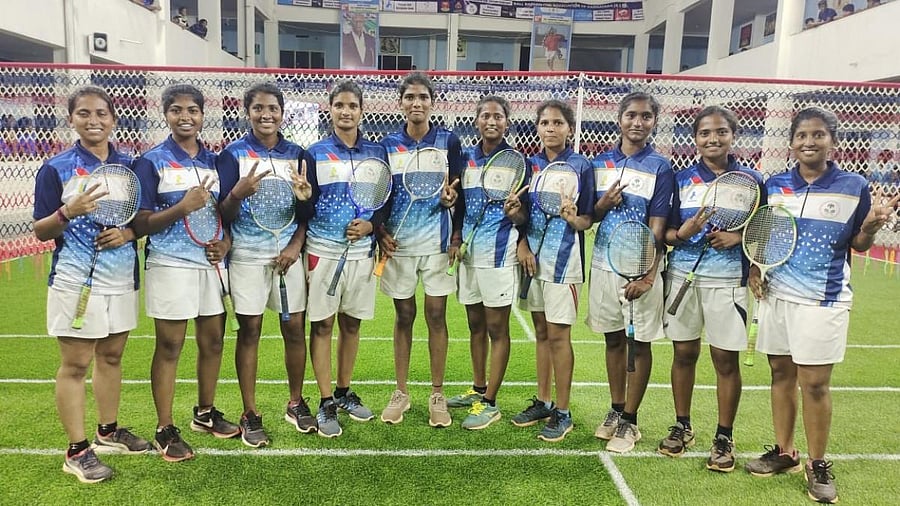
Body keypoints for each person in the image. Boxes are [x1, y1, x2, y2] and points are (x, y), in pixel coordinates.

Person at [743, 107, 898, 504]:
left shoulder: (853, 186)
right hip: (776, 295)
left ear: (832, 141)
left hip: (822, 299)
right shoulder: (775, 184)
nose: (809, 142)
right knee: (780, 373)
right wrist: (757, 268)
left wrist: (869, 226)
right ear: (791, 142)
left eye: (818, 135)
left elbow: (858, 245)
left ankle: (817, 462)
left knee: (813, 384)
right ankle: (784, 452)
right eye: (802, 136)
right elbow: (766, 232)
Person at [32, 86, 151, 483]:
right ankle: (77, 450)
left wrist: (129, 235)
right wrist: (68, 211)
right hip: (75, 280)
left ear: (114, 119)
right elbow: (39, 231)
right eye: (84, 113)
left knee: (113, 357)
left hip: (121, 278)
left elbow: (140, 219)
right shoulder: (56, 168)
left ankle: (108, 431)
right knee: (76, 363)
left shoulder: (131, 166)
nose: (94, 120)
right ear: (72, 119)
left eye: (102, 113)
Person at [134, 84, 240, 463]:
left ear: (202, 115)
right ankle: (165, 428)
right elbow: (142, 221)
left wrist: (226, 243)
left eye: (192, 110)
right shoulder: (151, 162)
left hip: (211, 264)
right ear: (166, 115)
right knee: (170, 347)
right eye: (177, 110)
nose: (185, 117)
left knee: (212, 342)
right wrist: (182, 206)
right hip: (170, 264)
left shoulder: (217, 162)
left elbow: (225, 214)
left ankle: (205, 413)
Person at [659, 106, 764, 472]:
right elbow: (669, 233)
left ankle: (723, 436)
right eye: (704, 133)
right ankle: (682, 425)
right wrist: (682, 234)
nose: (712, 139)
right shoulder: (681, 179)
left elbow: (764, 230)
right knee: (683, 353)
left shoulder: (751, 179)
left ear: (733, 135)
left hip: (728, 282)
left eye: (720, 132)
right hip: (683, 277)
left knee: (724, 360)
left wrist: (739, 238)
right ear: (695, 139)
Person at [218, 82, 311, 447]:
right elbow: (223, 212)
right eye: (258, 108)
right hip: (247, 257)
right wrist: (237, 194)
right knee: (250, 331)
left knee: (294, 329)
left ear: (282, 113)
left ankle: (295, 402)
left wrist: (295, 246)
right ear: (248, 111)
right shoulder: (232, 155)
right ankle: (250, 412)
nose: (266, 114)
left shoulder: (298, 154)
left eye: (272, 108)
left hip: (288, 259)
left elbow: (307, 211)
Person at [294, 80, 387, 437]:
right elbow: (304, 208)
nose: (346, 111)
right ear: (329, 109)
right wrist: (302, 198)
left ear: (362, 110)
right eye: (339, 105)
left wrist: (371, 226)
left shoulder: (375, 153)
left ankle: (344, 391)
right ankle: (324, 400)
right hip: (324, 252)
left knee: (352, 324)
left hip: (362, 255)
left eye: (352, 105)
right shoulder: (313, 153)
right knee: (322, 325)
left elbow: (384, 202)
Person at [588, 91, 674, 453]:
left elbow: (658, 227)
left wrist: (647, 275)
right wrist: (602, 204)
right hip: (603, 265)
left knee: (638, 344)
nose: (638, 123)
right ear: (619, 118)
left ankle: (631, 421)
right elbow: (590, 215)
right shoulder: (601, 163)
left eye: (646, 117)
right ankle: (616, 408)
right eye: (631, 116)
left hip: (638, 272)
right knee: (612, 339)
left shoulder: (660, 167)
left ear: (654, 122)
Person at [376, 71, 462, 428]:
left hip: (437, 245)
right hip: (399, 246)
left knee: (437, 317)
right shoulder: (387, 145)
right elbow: (379, 195)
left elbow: (460, 191)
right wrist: (380, 231)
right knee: (404, 317)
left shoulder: (449, 141)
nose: (416, 103)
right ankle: (401, 392)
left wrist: (454, 222)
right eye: (410, 97)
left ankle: (437, 393)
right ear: (400, 103)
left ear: (432, 102)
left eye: (423, 97)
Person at [508, 99, 594, 442]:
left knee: (559, 337)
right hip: (534, 262)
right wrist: (521, 238)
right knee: (541, 333)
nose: (550, 128)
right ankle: (543, 401)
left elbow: (588, 218)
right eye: (545, 123)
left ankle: (563, 410)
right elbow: (522, 216)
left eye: (558, 123)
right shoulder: (531, 166)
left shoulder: (581, 167)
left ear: (569, 128)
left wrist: (575, 219)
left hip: (564, 265)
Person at [445, 96, 525, 430]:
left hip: (499, 255)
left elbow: (525, 213)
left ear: (507, 122)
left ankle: (490, 402)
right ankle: (478, 388)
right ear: (476, 120)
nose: (491, 121)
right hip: (469, 256)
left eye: (498, 116)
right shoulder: (466, 160)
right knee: (475, 325)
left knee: (496, 328)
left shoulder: (518, 162)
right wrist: (456, 236)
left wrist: (516, 218)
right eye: (485, 116)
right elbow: (460, 205)